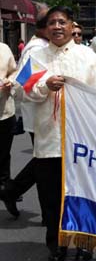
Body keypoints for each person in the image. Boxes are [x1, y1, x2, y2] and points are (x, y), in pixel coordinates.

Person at [23, 6, 96, 261]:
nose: (57, 27)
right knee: (51, 199)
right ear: (45, 28)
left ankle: (84, 244)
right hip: (49, 141)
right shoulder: (34, 57)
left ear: (72, 26)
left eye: (62, 22)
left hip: (82, 142)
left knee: (84, 195)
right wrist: (43, 86)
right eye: (52, 23)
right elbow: (22, 91)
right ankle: (57, 245)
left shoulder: (88, 57)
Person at [0, 5, 49, 221]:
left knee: (46, 161)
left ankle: (11, 189)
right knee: (46, 162)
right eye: (54, 24)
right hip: (39, 115)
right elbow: (24, 82)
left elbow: (13, 73)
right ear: (43, 28)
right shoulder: (36, 50)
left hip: (46, 115)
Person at [0, 42, 18, 217]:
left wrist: (10, 82)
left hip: (5, 111)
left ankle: (6, 189)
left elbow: (14, 71)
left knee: (4, 153)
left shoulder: (4, 49)